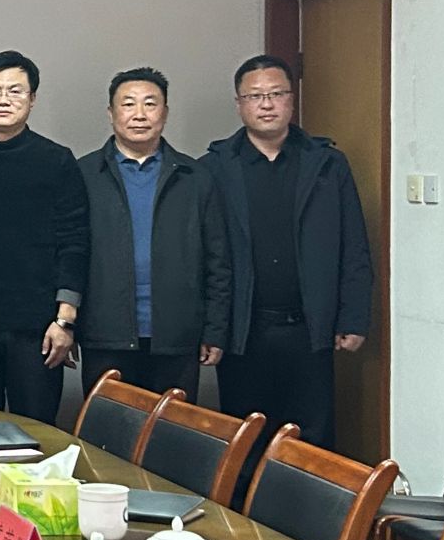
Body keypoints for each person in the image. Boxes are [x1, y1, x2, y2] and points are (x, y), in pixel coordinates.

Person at [202, 54, 372, 482]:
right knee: (244, 440)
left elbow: (354, 243)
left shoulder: (326, 163)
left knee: (311, 444)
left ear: (292, 100)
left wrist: (353, 316)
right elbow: (205, 256)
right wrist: (212, 328)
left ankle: (310, 521)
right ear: (239, 104)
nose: (266, 104)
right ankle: (242, 519)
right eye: (255, 96)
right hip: (244, 330)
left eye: (276, 94)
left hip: (309, 329)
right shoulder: (215, 167)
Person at [0, 51, 90, 423]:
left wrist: (65, 320)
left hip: (38, 327)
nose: (3, 99)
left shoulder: (57, 160)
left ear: (32, 99)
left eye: (15, 91)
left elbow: (74, 241)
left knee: (36, 432)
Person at [74, 67, 230, 399]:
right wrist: (69, 325)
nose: (140, 114)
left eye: (150, 103)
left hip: (177, 336)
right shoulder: (83, 174)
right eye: (128, 104)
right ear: (111, 113)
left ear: (165, 112)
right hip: (105, 334)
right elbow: (67, 254)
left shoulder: (195, 177)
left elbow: (218, 261)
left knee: (172, 427)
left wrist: (215, 330)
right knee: (109, 427)